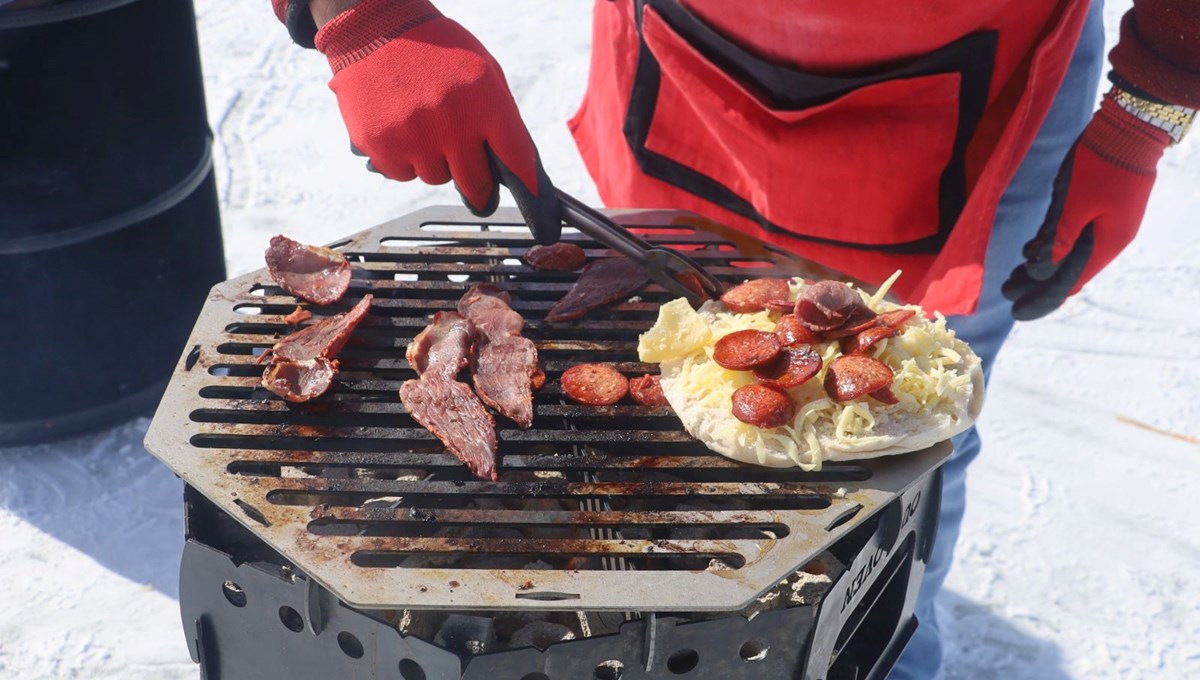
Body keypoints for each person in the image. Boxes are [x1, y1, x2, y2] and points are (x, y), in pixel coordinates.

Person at [270, 0, 1198, 676]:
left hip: (984, 69)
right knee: (651, 363)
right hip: (689, 50)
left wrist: (1148, 108)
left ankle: (888, 655)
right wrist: (366, 18)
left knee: (910, 442)